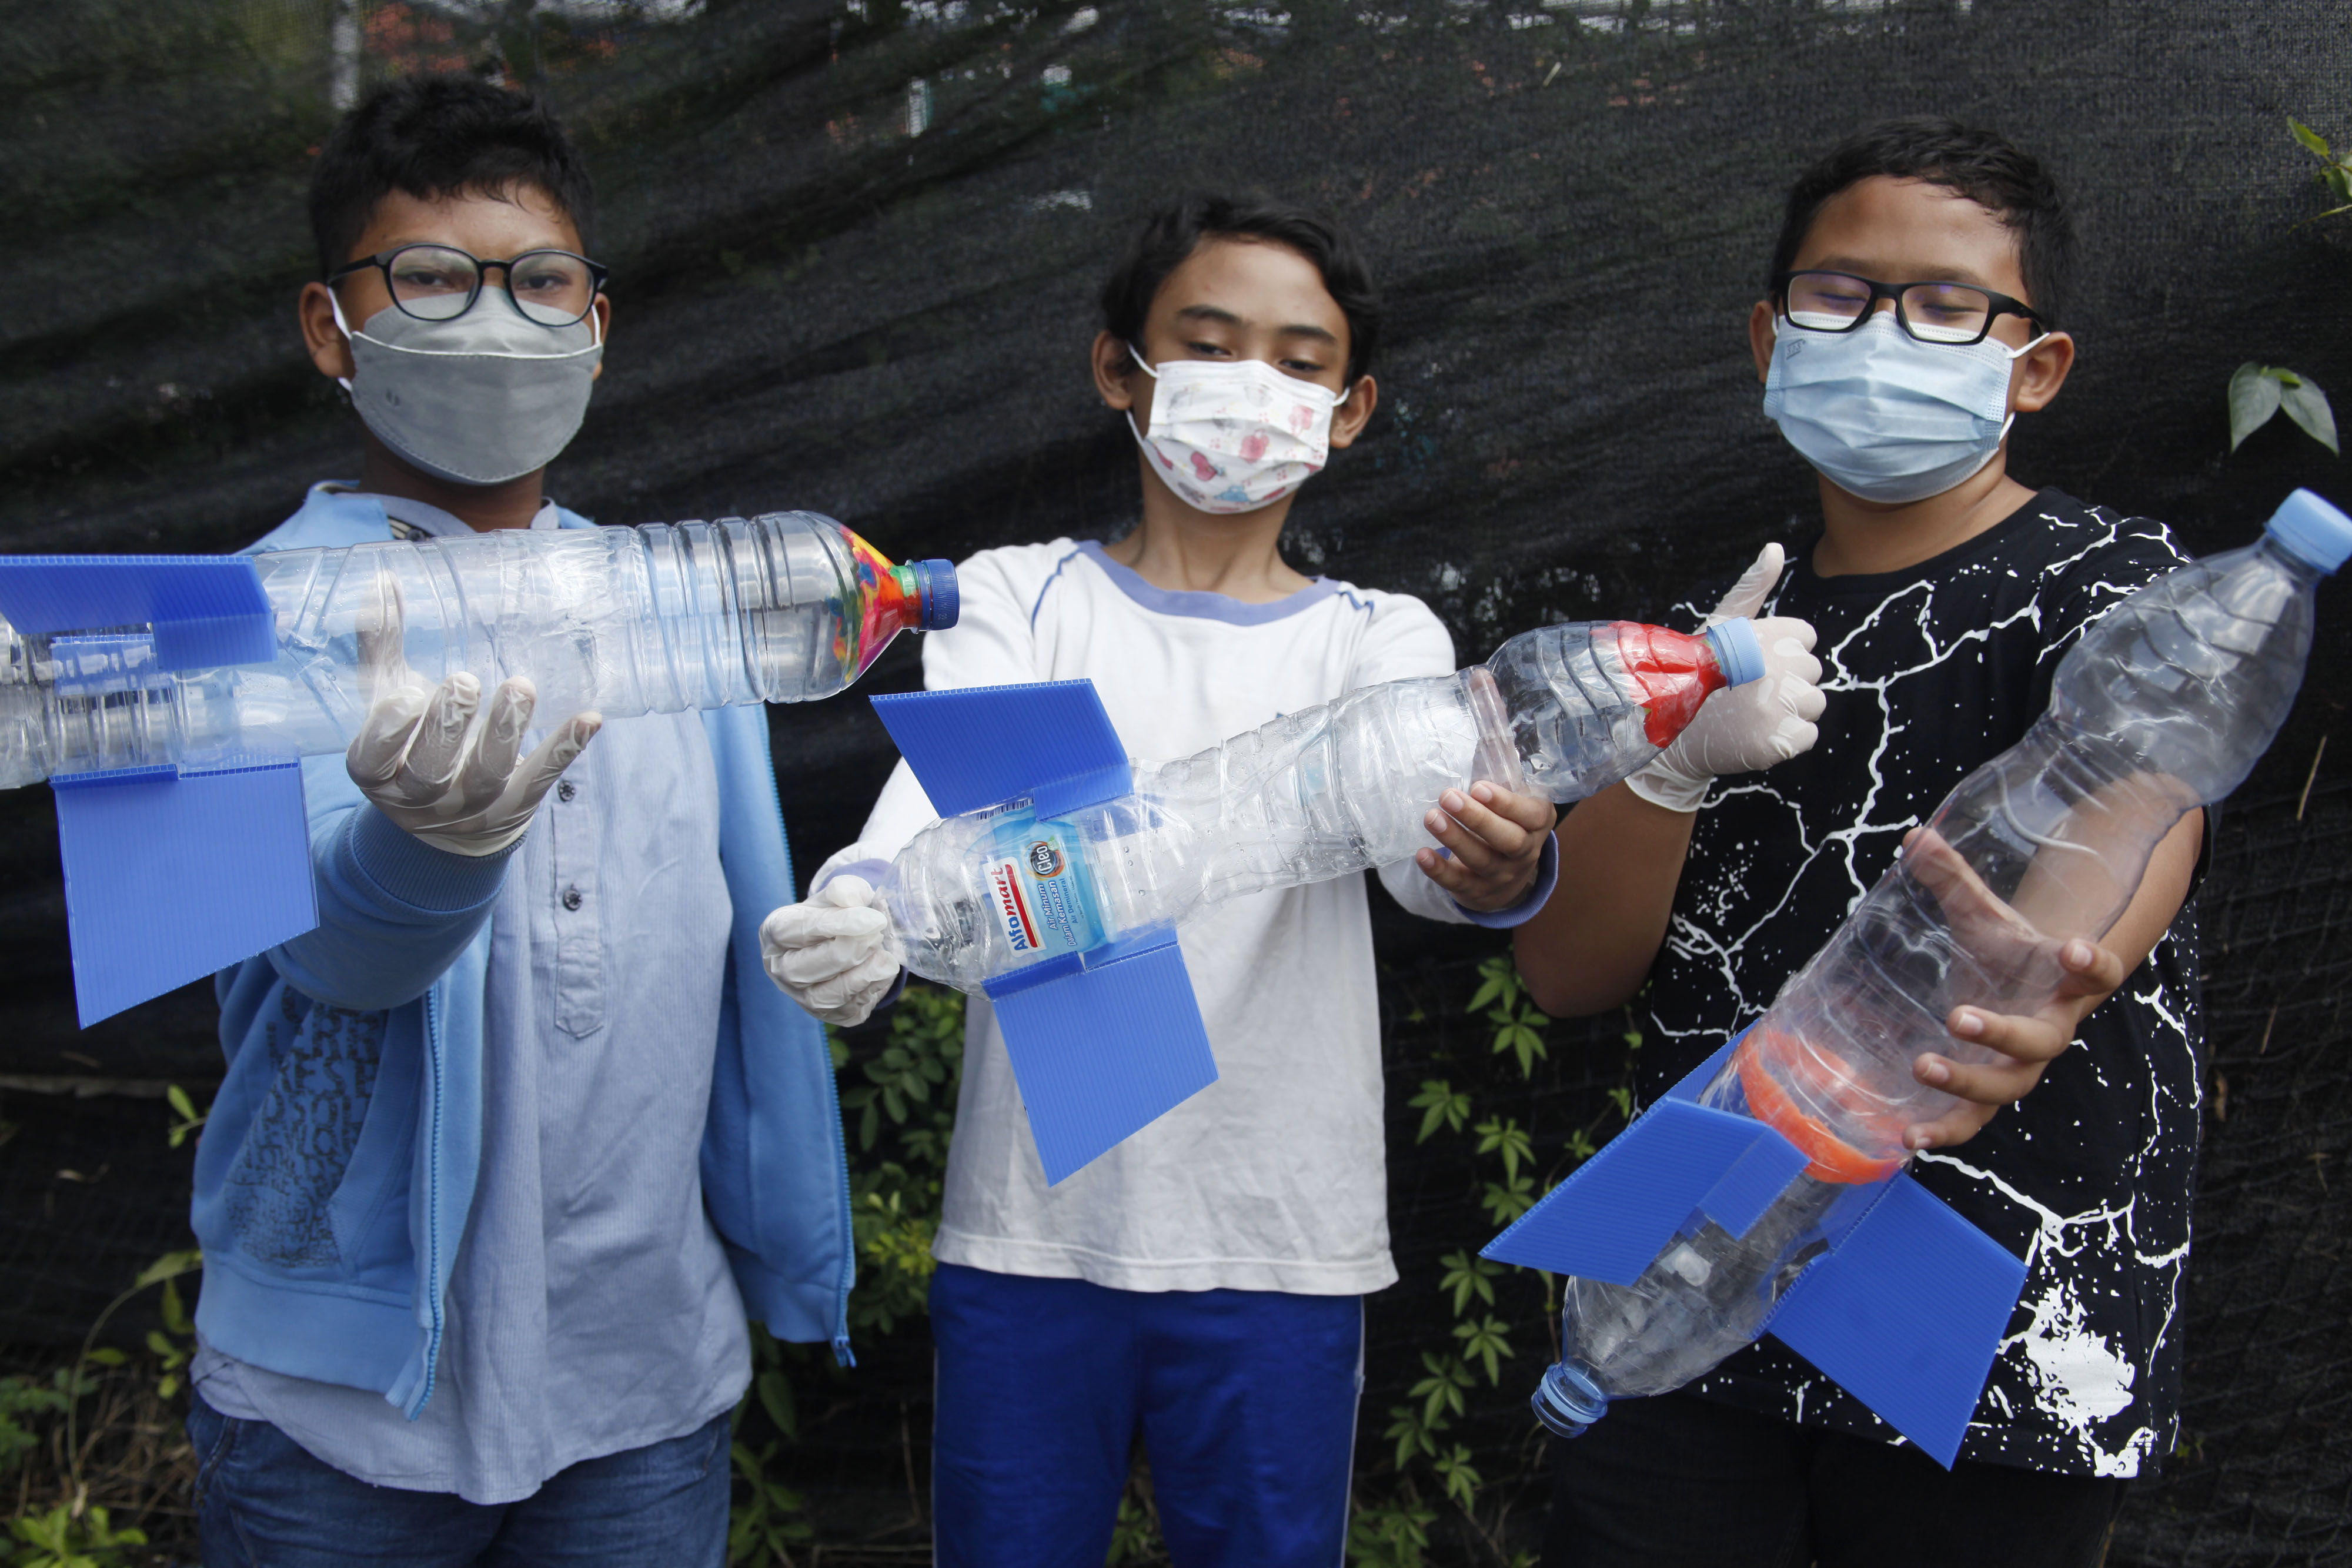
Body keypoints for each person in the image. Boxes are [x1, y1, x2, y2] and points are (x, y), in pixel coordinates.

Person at [761, 193, 1798, 1568]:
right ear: (1117, 368)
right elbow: (934, 808)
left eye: (1299, 360)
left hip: (1278, 1240)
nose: (1254, 385)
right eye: (1209, 340)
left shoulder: (1377, 638)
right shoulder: (1022, 596)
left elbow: (1433, 867)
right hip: (1027, 1228)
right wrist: (859, 901)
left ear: (1350, 407)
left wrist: (1502, 864)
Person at [1512, 117, 2207, 1567]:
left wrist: (2062, 967)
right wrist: (1670, 754)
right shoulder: (1716, 624)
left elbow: (2142, 804)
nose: (1885, 329)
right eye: (1840, 294)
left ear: (2035, 365)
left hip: (1984, 1319)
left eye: (1946, 303)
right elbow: (1568, 972)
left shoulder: (2113, 581)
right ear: (1769, 337)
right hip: (1679, 1285)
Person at [183, 75, 851, 1566]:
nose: (494, 318)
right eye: (428, 278)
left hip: (643, 1391)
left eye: (540, 280)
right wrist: (424, 854)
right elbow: (334, 963)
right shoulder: (227, 631)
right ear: (326, 324)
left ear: (596, 327)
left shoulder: (679, 614)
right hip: (333, 1415)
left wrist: (865, 924)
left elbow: (740, 937)